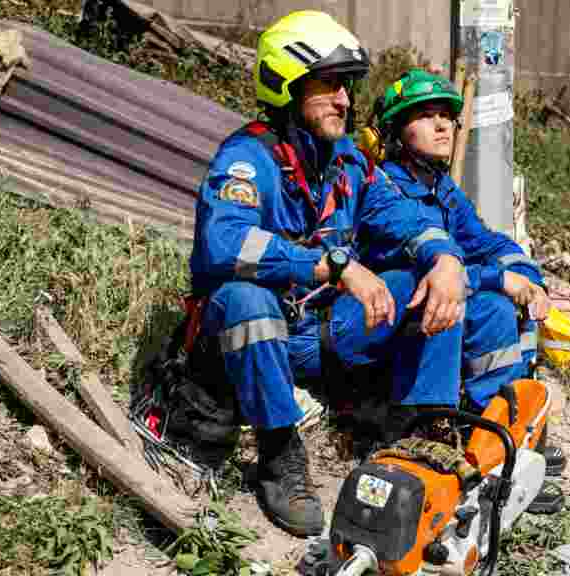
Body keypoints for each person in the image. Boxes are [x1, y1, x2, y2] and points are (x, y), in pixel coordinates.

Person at [186, 10, 469, 538]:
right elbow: (222, 243)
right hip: (249, 340)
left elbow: (405, 219)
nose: (344, 99)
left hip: (317, 333)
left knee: (425, 282)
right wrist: (335, 266)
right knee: (244, 298)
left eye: (347, 87)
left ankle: (415, 431)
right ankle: (279, 454)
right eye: (331, 85)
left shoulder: (348, 163)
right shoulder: (247, 160)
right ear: (286, 85)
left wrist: (447, 261)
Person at [362, 69, 550, 414]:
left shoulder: (442, 189)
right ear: (394, 130)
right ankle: (424, 420)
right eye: (425, 115)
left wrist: (529, 280)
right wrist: (498, 279)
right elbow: (417, 275)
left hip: (428, 320)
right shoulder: (382, 187)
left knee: (495, 309)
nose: (442, 125)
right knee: (462, 296)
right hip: (383, 321)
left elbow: (488, 244)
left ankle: (495, 419)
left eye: (447, 116)